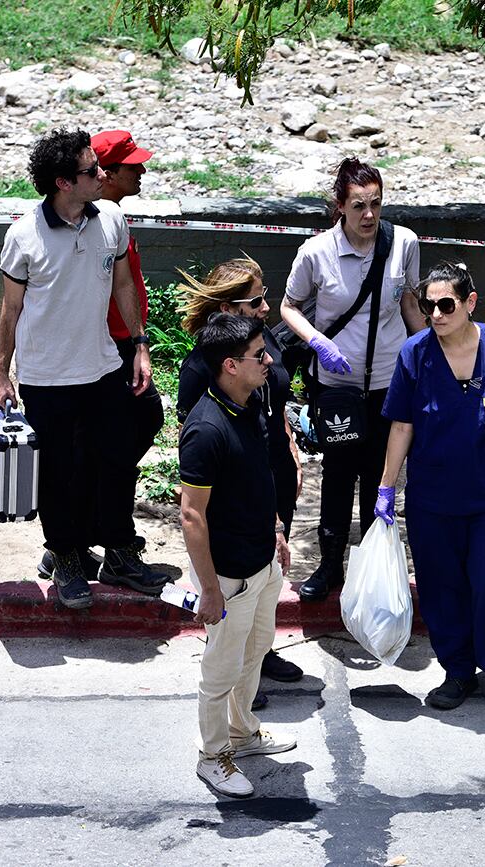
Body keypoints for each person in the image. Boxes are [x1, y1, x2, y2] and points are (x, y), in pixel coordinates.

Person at [0, 128, 167, 609]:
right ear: (62, 183)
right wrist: (1, 374)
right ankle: (66, 555)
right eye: (92, 171)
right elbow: (10, 311)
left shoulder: (110, 218)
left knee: (115, 461)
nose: (102, 176)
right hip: (46, 378)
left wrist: (139, 345)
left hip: (103, 366)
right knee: (59, 472)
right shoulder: (24, 235)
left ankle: (119, 551)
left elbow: (124, 287)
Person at [377, 263, 485, 718]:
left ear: (470, 303)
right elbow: (402, 425)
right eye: (429, 307)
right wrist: (386, 489)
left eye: (446, 305)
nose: (436, 315)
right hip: (434, 496)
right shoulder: (415, 354)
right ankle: (458, 671)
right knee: (442, 587)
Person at [280, 157, 423, 602]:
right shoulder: (316, 252)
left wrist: (433, 359)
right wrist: (319, 342)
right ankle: (329, 567)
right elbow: (288, 307)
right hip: (336, 385)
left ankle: (370, 570)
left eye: (376, 205)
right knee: (339, 476)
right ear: (339, 206)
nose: (368, 216)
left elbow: (411, 306)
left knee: (380, 477)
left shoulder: (403, 243)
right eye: (358, 205)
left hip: (387, 382)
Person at [175, 258, 305, 701]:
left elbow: (278, 397)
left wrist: (288, 442)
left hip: (272, 470)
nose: (267, 308)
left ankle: (259, 657)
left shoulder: (261, 341)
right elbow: (196, 445)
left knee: (267, 577)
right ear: (229, 309)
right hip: (236, 488)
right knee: (238, 584)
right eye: (256, 301)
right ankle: (231, 681)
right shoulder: (199, 369)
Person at [180, 314, 295, 798]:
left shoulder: (249, 405)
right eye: (258, 355)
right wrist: (209, 588)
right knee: (221, 670)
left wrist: (277, 532)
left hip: (263, 563)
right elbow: (191, 516)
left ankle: (243, 734)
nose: (268, 360)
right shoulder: (204, 431)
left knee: (254, 653)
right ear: (229, 365)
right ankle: (212, 756)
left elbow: (258, 480)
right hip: (229, 576)